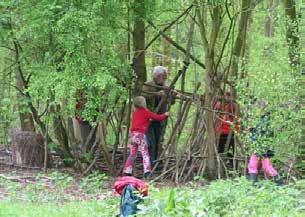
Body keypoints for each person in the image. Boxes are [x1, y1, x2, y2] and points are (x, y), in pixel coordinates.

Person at [123, 96, 169, 178]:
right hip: (140, 135)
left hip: (133, 135)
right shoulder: (145, 112)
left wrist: (148, 121)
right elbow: (158, 117)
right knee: (145, 153)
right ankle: (147, 172)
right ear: (143, 103)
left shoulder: (135, 112)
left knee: (132, 154)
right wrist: (165, 115)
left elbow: (140, 122)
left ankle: (127, 171)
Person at [142, 66, 175, 166]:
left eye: (165, 77)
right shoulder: (148, 85)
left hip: (160, 118)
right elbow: (143, 98)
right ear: (157, 76)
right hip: (148, 117)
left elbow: (171, 102)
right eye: (163, 76)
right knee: (150, 142)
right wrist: (156, 94)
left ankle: (157, 162)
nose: (164, 78)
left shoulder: (166, 87)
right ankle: (149, 163)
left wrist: (172, 96)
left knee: (159, 140)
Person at [247, 111, 282, 185]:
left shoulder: (262, 124)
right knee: (262, 166)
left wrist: (251, 132)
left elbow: (257, 137)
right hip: (263, 148)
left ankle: (279, 184)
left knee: (259, 166)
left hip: (260, 148)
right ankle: (253, 184)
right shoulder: (268, 124)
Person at [214, 92, 239, 166]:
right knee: (220, 148)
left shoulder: (233, 105)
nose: (226, 98)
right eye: (225, 96)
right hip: (222, 131)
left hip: (230, 130)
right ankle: (225, 163)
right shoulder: (221, 105)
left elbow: (235, 114)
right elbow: (217, 110)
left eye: (228, 96)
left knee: (231, 148)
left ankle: (232, 163)